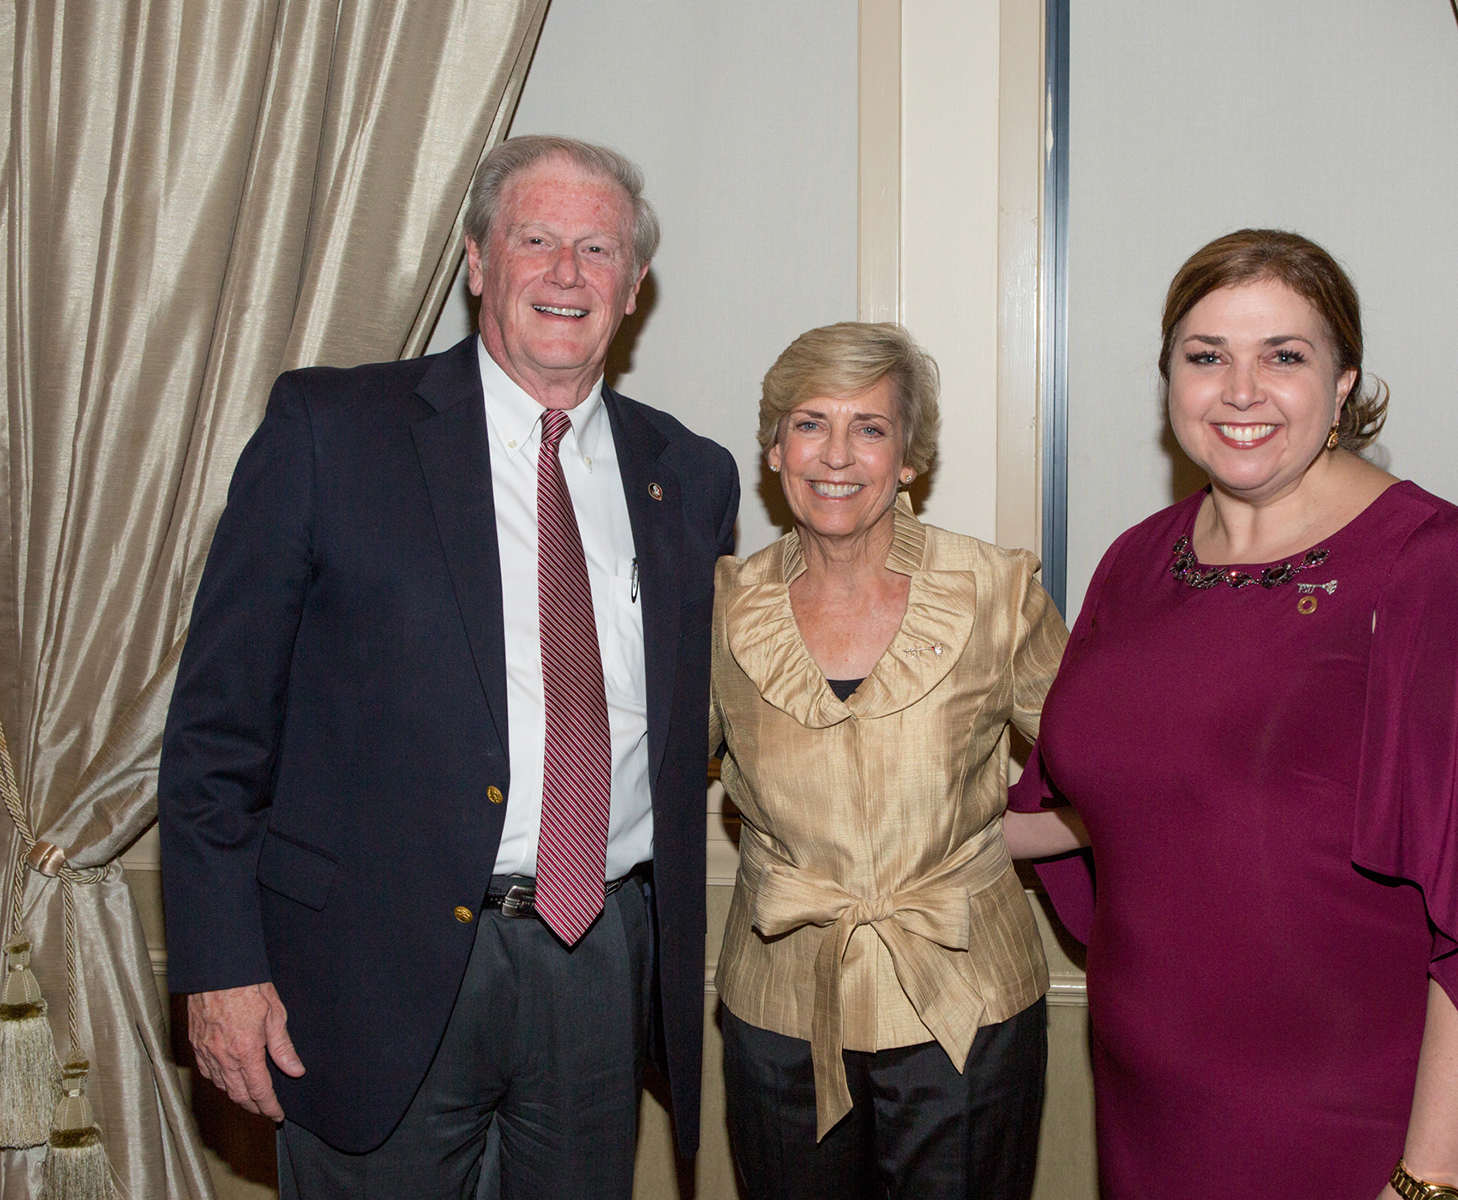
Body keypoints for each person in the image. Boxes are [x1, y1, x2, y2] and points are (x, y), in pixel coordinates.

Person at [158, 135, 739, 1197]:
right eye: (535, 240)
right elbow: (217, 731)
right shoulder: (332, 431)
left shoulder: (690, 478)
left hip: (600, 958)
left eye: (599, 249)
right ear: (477, 259)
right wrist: (218, 966)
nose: (567, 273)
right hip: (365, 966)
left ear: (635, 286)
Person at [1005, 230, 1458, 1200]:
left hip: (1355, 1137)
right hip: (1151, 1120)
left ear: (1344, 385)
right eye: (1207, 357)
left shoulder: (1439, 574)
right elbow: (1125, 807)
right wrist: (893, 817)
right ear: (1169, 381)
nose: (1241, 389)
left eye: (1284, 356)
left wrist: (1430, 1182)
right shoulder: (1134, 563)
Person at [709, 322, 1067, 1200]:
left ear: (909, 457)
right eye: (808, 423)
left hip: (966, 1005)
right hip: (780, 1007)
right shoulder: (719, 606)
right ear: (773, 448)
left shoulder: (995, 591)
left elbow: (1112, 773)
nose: (837, 454)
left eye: (869, 428)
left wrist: (978, 849)